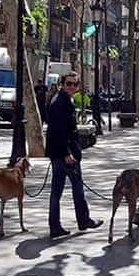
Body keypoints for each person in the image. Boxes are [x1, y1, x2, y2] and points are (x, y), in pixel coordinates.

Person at [45, 72, 102, 238]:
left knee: (58, 190)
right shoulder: (60, 103)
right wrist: (66, 153)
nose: (72, 87)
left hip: (60, 153)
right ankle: (82, 220)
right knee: (76, 188)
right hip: (64, 154)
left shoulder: (62, 100)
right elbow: (58, 131)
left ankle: (57, 226)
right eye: (69, 83)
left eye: (75, 84)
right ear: (62, 84)